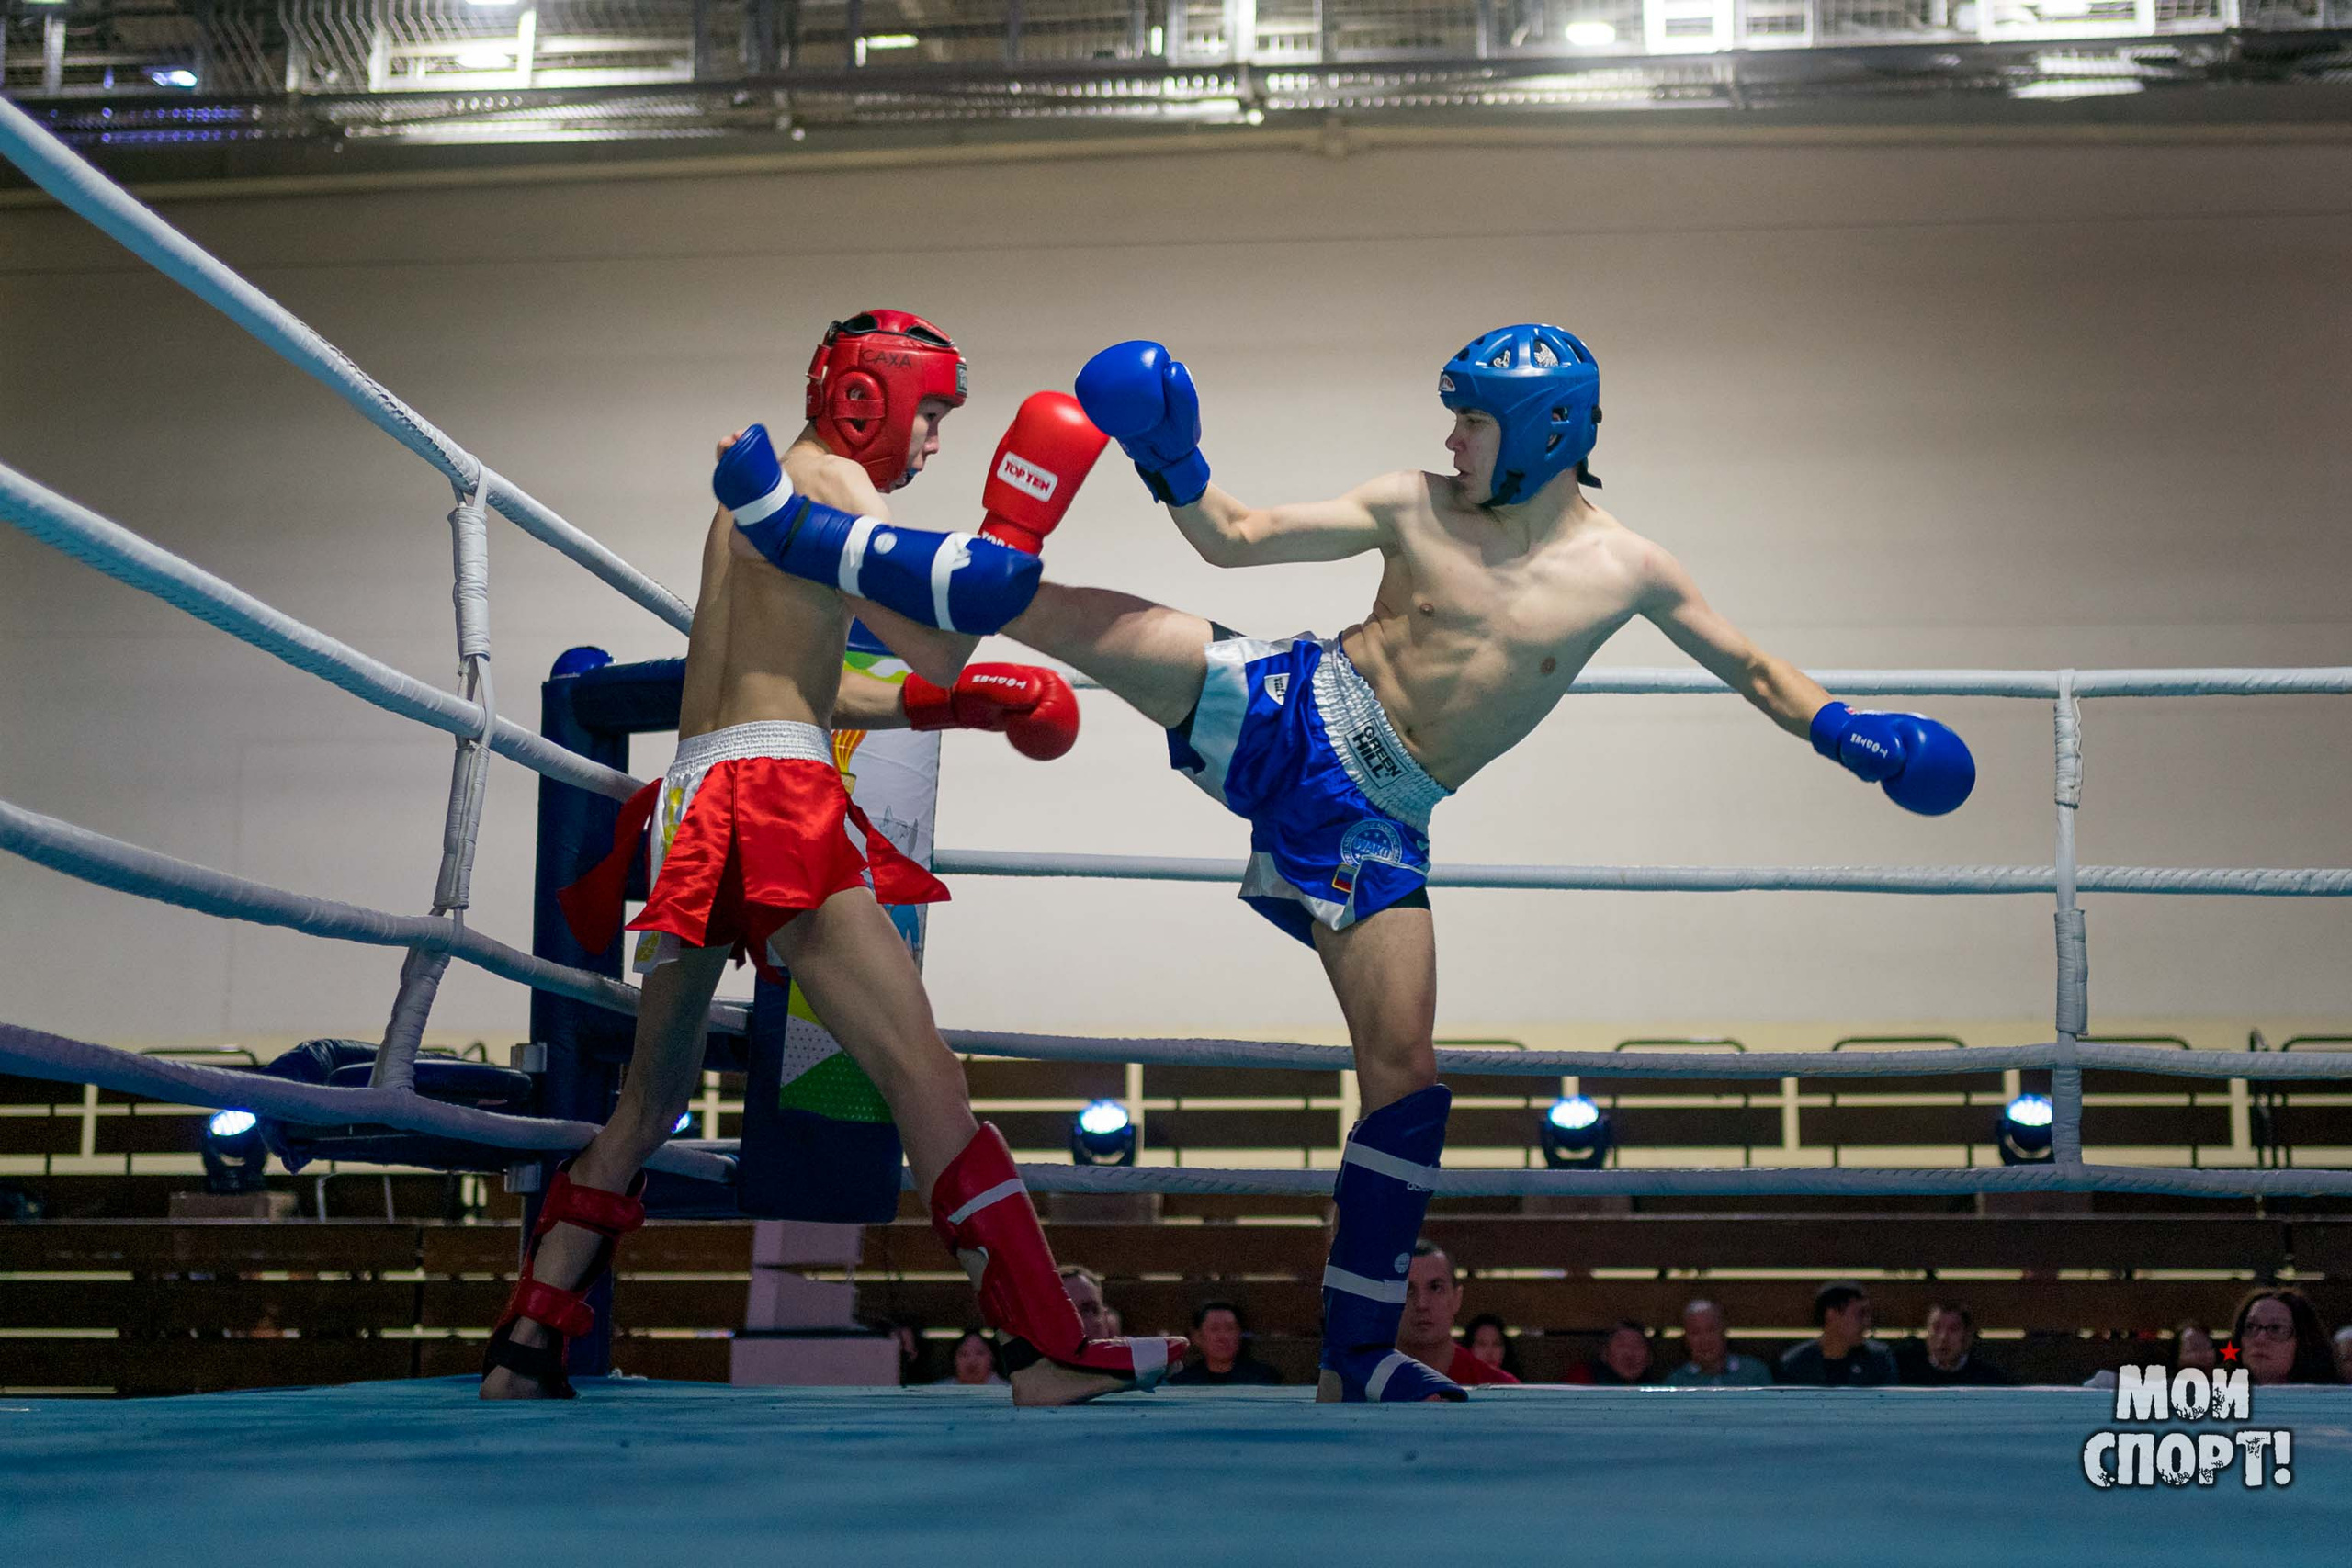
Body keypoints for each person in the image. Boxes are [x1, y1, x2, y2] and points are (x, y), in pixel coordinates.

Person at [730, 323, 1976, 1402]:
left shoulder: (1629, 570)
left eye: (1472, 423)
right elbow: (1234, 537)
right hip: (1285, 702)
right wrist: (1173, 454)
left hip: (1382, 818)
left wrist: (1849, 735)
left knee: (1407, 1079)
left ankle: (1358, 1351)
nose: (1451, 442)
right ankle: (796, 530)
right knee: (1039, 603)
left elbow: (1750, 665)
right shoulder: (1411, 503)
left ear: (1541, 432)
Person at [481, 310, 1184, 1406]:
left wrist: (947, 710)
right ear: (871, 397)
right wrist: (1013, 532)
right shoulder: (840, 489)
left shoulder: (752, 502)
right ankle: (1047, 1349)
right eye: (933, 413)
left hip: (694, 798)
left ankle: (523, 1349)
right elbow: (938, 640)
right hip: (771, 797)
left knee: (648, 1104)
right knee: (923, 1073)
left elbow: (812, 677)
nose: (935, 440)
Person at [1394, 1241, 1521, 1391]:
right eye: (1407, 1289)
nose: (1422, 1304)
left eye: (1436, 1288)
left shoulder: (1502, 1388)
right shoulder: (1370, 1383)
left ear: (1457, 1298)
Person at [1776, 1282, 1898, 1387]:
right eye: (1860, 1314)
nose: (1867, 1323)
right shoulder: (1797, 1364)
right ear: (1832, 1314)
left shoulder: (1879, 1360)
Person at [2231, 1286, 2341, 1386]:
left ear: (2303, 1341)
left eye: (2276, 1328)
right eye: (2250, 1327)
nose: (2260, 1339)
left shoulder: (2337, 1399)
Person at [1167, 1300, 1285, 1386]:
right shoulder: (1182, 1382)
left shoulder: (1263, 1378)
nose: (1223, 1337)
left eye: (1230, 1328)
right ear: (1197, 1337)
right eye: (1214, 1329)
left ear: (1240, 1334)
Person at [1663, 1297, 1773, 1387]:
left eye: (1711, 1330)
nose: (1704, 1340)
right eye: (1695, 1332)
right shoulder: (1676, 1383)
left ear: (1724, 1330)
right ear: (1686, 1339)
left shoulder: (1754, 1374)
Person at [1897, 1302, 2010, 1387]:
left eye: (1953, 1329)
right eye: (1936, 1328)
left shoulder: (1988, 1380)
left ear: (1967, 1336)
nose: (1943, 1337)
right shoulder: (1906, 1375)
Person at [1587, 1320, 1655, 1386]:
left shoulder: (1655, 1388)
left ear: (1649, 1357)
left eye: (1638, 1346)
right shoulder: (1585, 1383)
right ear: (1604, 1353)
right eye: (1621, 1345)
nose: (1629, 1352)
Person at [934, 1329, 1006, 1387]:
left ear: (993, 1358)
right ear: (954, 1359)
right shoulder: (938, 1391)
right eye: (964, 1354)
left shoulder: (1007, 1392)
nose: (972, 1361)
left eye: (980, 1353)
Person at [1463, 1313, 1521, 1379]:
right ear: (1470, 1348)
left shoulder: (1513, 1383)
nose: (1489, 1352)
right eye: (1482, 1344)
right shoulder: (1458, 1382)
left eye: (1496, 1344)